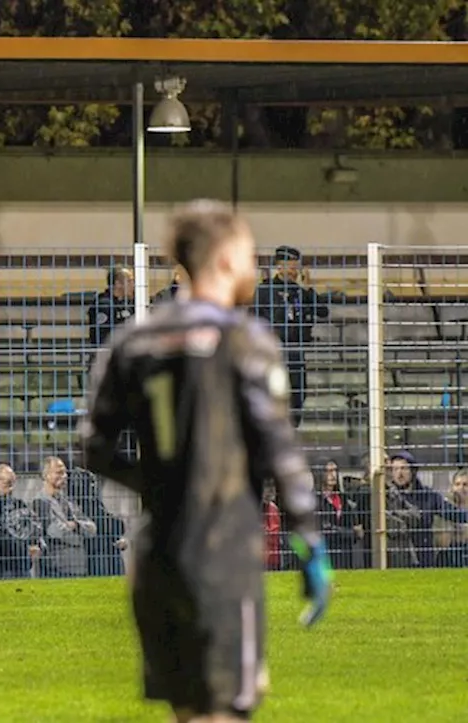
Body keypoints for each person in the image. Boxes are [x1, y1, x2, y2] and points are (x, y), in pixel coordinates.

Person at [82, 200, 332, 723]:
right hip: (224, 554)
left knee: (189, 709)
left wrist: (156, 487)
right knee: (226, 710)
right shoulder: (246, 340)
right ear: (222, 261)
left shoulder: (133, 341)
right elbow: (280, 451)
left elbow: (94, 448)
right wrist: (308, 538)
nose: (256, 270)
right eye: (249, 257)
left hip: (155, 556)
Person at [251, 246, 330, 428]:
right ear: (280, 267)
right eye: (292, 267)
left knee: (297, 395)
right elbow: (253, 318)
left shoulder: (300, 292)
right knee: (273, 394)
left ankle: (292, 428)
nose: (295, 272)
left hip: (296, 352)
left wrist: (309, 289)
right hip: (273, 352)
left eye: (297, 268)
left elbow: (323, 312)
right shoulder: (265, 291)